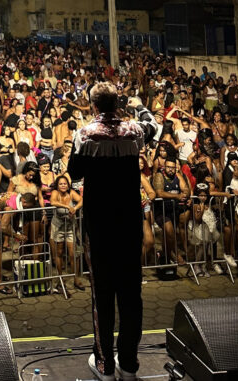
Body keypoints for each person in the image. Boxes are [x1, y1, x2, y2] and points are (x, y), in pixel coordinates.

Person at [67, 82, 156, 381]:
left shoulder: (85, 134)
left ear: (93, 105)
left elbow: (75, 173)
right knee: (132, 295)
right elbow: (153, 124)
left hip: (100, 225)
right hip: (129, 222)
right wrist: (139, 104)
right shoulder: (135, 130)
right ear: (117, 103)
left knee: (102, 296)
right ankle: (128, 365)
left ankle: (105, 365)